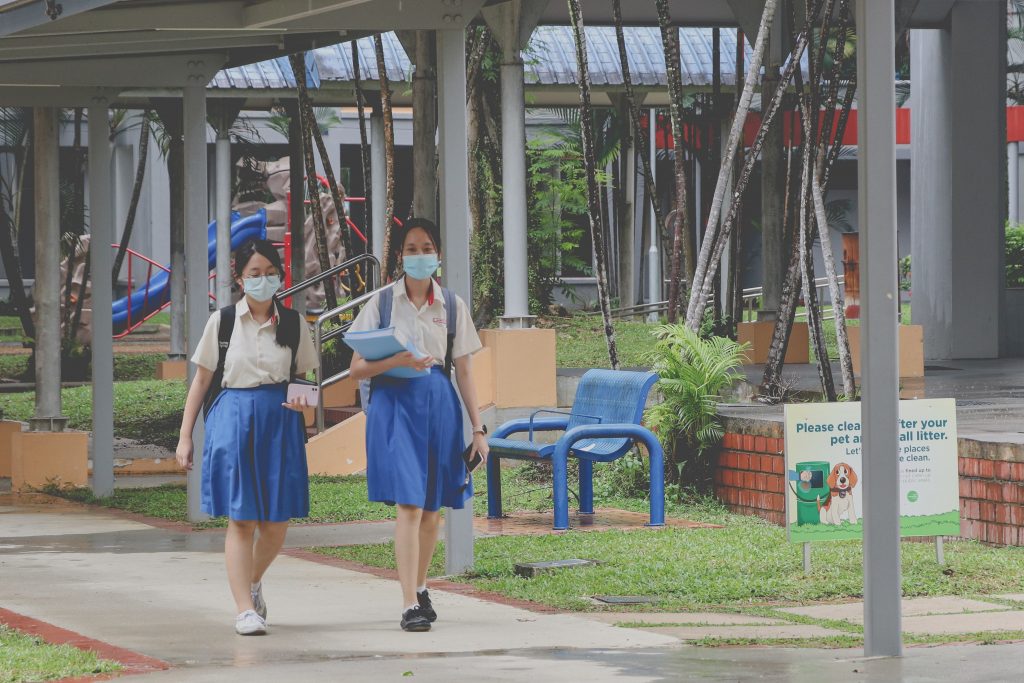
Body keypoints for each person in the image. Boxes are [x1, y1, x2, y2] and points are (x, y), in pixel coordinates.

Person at [348, 217, 488, 632]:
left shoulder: (453, 305)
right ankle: (409, 603)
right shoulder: (383, 303)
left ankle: (421, 586)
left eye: (427, 247)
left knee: (432, 508)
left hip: (439, 405)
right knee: (409, 503)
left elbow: (463, 370)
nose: (420, 255)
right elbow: (357, 368)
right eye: (412, 248)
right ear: (399, 257)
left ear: (438, 255)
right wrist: (396, 361)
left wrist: (478, 429)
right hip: (395, 405)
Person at [175, 238, 317, 636]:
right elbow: (202, 379)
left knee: (277, 520)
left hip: (281, 424)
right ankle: (244, 609)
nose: (263, 280)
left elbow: (303, 379)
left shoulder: (293, 323)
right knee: (242, 518)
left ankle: (252, 582)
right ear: (240, 279)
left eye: (270, 273)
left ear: (279, 276)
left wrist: (302, 404)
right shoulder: (221, 323)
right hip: (233, 420)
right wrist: (185, 436)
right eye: (254, 274)